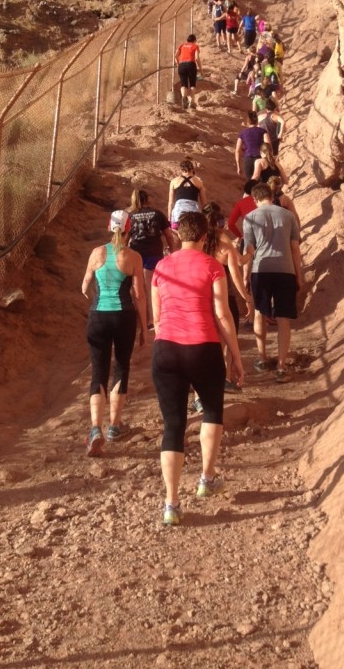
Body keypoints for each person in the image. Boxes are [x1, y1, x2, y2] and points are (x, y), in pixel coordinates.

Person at [151, 211, 244, 526]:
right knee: (212, 411)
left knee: (173, 425)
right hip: (202, 347)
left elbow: (158, 316)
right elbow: (222, 314)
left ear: (178, 235)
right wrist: (235, 355)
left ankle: (171, 503)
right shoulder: (213, 266)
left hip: (166, 349)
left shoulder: (162, 268)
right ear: (206, 236)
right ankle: (206, 477)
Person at [81, 210, 147, 455]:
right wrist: (145, 326)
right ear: (130, 229)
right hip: (124, 317)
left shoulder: (96, 253)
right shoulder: (133, 257)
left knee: (98, 370)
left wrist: (93, 297)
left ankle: (96, 428)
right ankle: (115, 426)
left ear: (110, 227)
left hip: (98, 315)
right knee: (121, 368)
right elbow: (139, 295)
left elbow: (85, 285)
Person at [243, 183, 304, 383]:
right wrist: (299, 274)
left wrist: (245, 274)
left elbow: (249, 250)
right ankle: (281, 365)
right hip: (285, 268)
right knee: (283, 318)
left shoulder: (250, 218)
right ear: (271, 195)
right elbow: (295, 248)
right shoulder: (288, 216)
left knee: (259, 313)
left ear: (255, 199)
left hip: (260, 269)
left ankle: (262, 359)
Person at [203, 202, 253, 390]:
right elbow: (236, 274)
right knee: (229, 337)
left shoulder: (200, 245)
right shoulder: (225, 246)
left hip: (205, 297)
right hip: (226, 296)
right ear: (219, 224)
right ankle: (227, 379)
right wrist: (247, 298)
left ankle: (210, 378)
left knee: (210, 339)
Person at [128, 188, 178, 329]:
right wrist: (172, 251)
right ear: (147, 199)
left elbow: (126, 237)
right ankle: (151, 319)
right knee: (151, 287)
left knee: (137, 288)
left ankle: (140, 319)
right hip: (154, 253)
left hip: (136, 253)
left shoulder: (130, 215)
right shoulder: (157, 214)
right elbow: (169, 235)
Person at [168, 159, 206, 229]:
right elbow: (204, 203)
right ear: (192, 169)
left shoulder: (174, 181)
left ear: (181, 170)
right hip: (194, 212)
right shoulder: (199, 182)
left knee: (176, 233)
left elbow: (170, 203)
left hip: (178, 213)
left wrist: (169, 220)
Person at [235, 111, 268, 179]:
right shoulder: (263, 131)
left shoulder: (242, 133)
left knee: (251, 183)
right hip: (260, 158)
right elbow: (268, 146)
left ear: (247, 122)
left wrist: (238, 166)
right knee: (263, 182)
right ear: (257, 121)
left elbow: (237, 151)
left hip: (248, 160)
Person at [175, 33, 202, 110]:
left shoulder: (182, 45)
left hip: (181, 65)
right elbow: (197, 58)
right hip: (191, 64)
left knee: (184, 84)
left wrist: (178, 63)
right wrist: (201, 69)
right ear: (195, 40)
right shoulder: (195, 46)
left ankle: (184, 97)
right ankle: (192, 102)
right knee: (193, 84)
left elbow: (176, 56)